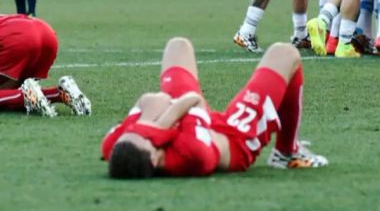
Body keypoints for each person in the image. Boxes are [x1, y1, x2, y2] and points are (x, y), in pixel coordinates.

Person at [102, 38, 328, 178]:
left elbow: (152, 101)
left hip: (186, 116)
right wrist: (159, 121)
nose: (144, 131)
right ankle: (287, 152)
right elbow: (192, 100)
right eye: (149, 137)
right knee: (285, 53)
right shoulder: (192, 154)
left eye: (138, 131)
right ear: (154, 160)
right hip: (234, 138)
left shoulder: (118, 147)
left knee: (177, 46)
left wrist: (156, 119)